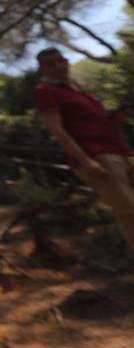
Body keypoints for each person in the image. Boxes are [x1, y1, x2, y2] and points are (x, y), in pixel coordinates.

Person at [33, 47, 134, 259]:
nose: (58, 65)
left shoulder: (81, 88)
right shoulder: (46, 91)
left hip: (122, 152)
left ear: (67, 61)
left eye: (60, 60)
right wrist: (86, 161)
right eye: (50, 63)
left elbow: (105, 122)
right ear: (42, 69)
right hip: (98, 157)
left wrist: (119, 115)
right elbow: (56, 129)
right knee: (129, 213)